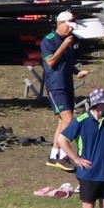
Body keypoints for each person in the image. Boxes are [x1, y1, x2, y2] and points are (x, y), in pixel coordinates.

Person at [39, 10, 81, 161]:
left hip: (67, 83)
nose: (70, 30)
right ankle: (64, 155)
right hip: (56, 85)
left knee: (63, 121)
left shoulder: (69, 41)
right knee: (69, 119)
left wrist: (77, 72)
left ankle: (54, 154)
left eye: (72, 27)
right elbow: (50, 62)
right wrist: (63, 46)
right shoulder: (49, 40)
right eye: (68, 26)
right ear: (60, 23)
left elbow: (66, 63)